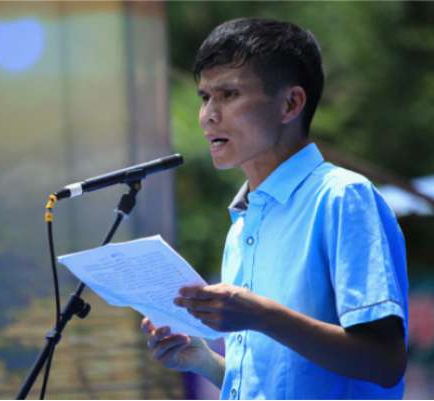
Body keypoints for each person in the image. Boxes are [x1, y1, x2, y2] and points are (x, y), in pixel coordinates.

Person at [141, 18, 408, 399]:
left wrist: (261, 315)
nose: (209, 114)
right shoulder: (242, 223)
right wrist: (203, 361)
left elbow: (384, 363)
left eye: (229, 94)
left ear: (290, 103)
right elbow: (283, 383)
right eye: (204, 97)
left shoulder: (342, 196)